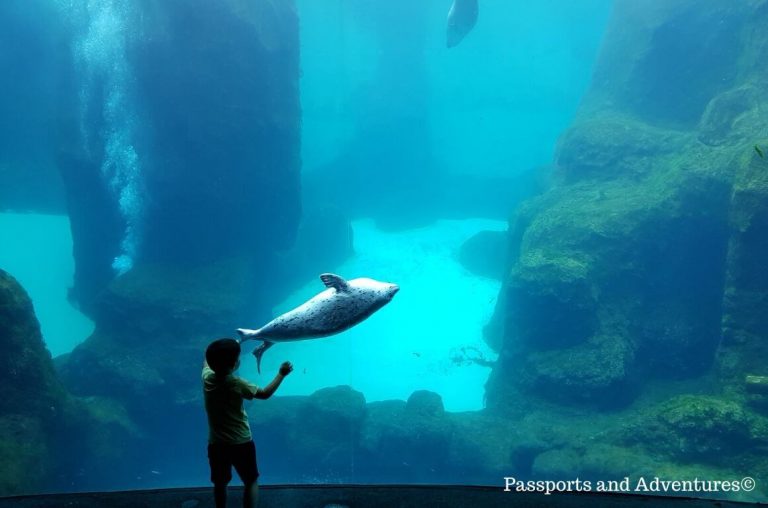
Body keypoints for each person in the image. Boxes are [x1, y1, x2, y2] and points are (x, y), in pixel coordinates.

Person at [203, 338, 293, 508]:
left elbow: (207, 361)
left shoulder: (207, 377)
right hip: (241, 443)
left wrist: (225, 347)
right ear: (235, 363)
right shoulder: (236, 383)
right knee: (250, 481)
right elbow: (265, 393)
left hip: (217, 444)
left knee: (220, 483)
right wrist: (281, 373)